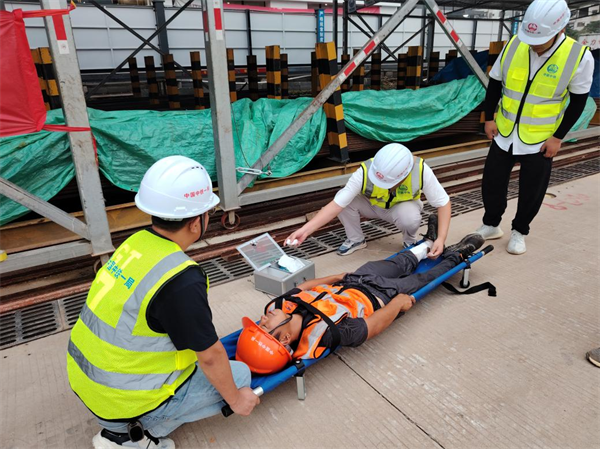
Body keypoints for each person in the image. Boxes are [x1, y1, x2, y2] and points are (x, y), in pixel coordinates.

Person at [66, 156, 259, 449]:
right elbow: (209, 356)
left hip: (87, 381)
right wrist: (236, 399)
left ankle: (123, 426)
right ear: (196, 222)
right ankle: (130, 437)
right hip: (122, 402)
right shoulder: (181, 279)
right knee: (239, 374)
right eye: (209, 211)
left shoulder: (135, 243)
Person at [236, 219, 485, 374]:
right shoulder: (329, 333)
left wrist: (336, 276)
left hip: (357, 279)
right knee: (423, 279)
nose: (262, 318)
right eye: (264, 326)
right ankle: (457, 255)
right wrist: (397, 304)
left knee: (399, 262)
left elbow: (305, 286)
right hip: (383, 295)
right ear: (285, 338)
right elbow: (372, 326)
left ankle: (428, 243)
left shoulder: (282, 305)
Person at [477, 0, 594, 255]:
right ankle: (491, 224)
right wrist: (489, 118)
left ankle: (519, 231)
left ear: (560, 29)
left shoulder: (578, 56)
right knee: (492, 182)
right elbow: (495, 83)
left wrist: (558, 137)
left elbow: (578, 102)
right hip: (505, 131)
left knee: (532, 189)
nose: (533, 44)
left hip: (541, 138)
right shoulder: (514, 44)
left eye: (540, 39)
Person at [285, 143, 451, 257]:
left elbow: (443, 203)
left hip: (401, 209)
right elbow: (336, 204)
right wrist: (305, 231)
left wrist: (441, 239)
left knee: (410, 217)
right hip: (372, 206)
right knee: (344, 198)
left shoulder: (420, 169)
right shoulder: (366, 170)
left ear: (404, 174)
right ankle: (356, 239)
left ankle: (409, 242)